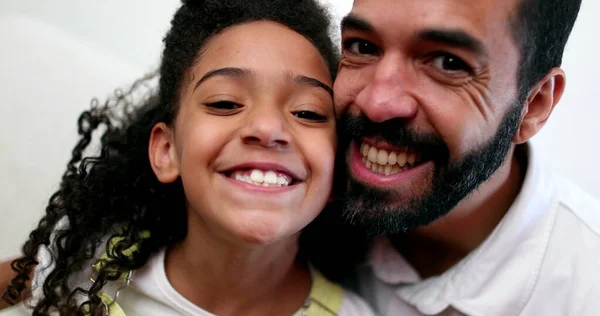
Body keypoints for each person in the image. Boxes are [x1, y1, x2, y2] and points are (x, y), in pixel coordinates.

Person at [0, 1, 376, 315]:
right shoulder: (89, 265)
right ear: (167, 151)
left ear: (337, 170)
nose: (267, 127)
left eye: (308, 112)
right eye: (225, 102)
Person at [332, 0, 600, 315]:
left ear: (535, 105)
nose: (377, 103)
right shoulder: (295, 208)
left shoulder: (586, 288)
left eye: (448, 63)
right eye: (363, 46)